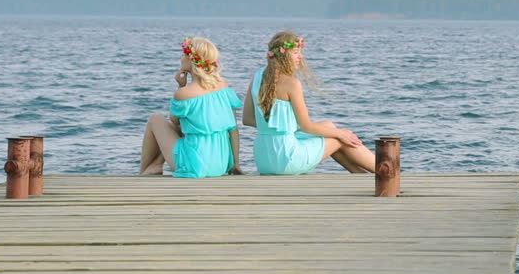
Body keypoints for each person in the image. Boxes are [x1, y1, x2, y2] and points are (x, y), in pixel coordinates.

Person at [243, 31, 375, 174]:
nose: (301, 56)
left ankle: (361, 175)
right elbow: (307, 127)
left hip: (264, 160)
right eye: (295, 52)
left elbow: (247, 119)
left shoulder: (257, 77)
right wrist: (341, 133)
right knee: (339, 138)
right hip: (286, 160)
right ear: (283, 55)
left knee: (328, 126)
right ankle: (385, 170)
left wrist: (281, 127)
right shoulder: (292, 84)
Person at [140, 36, 244, 177]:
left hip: (195, 164)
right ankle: (156, 165)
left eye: (184, 54)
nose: (181, 57)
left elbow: (175, 122)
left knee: (155, 119)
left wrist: (181, 86)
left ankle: (147, 170)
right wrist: (235, 164)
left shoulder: (184, 93)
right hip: (220, 164)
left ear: (192, 60)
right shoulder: (224, 87)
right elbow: (233, 130)